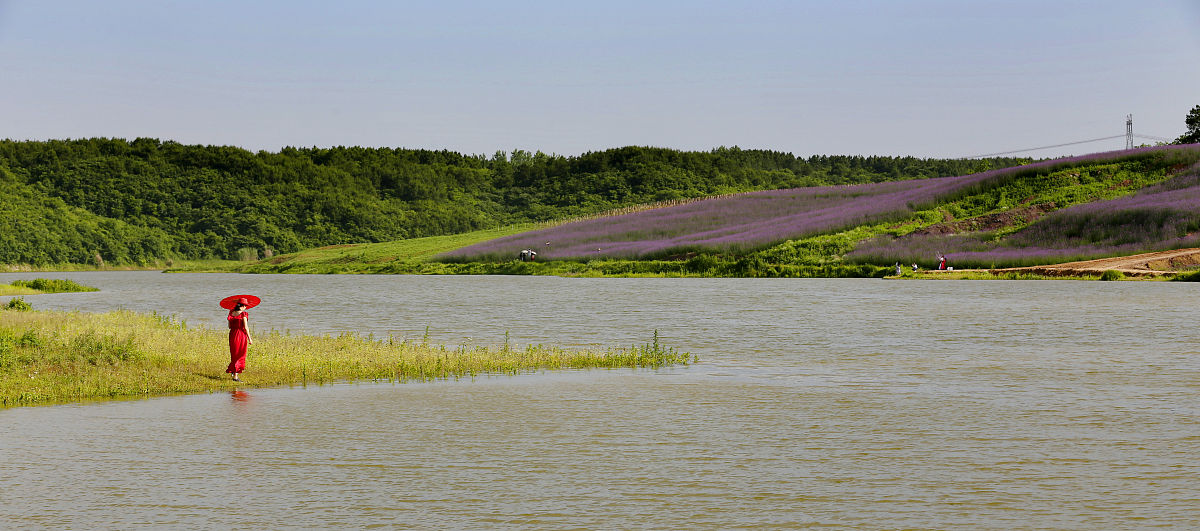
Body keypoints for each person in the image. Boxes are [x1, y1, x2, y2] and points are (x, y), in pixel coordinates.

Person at [226, 298, 253, 381]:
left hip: (232, 334)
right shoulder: (243, 314)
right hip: (241, 335)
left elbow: (229, 326)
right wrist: (250, 338)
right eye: (245, 306)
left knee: (234, 354)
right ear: (242, 306)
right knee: (240, 355)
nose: (245, 307)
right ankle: (235, 376)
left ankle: (234, 371)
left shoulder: (231, 313)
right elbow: (246, 327)